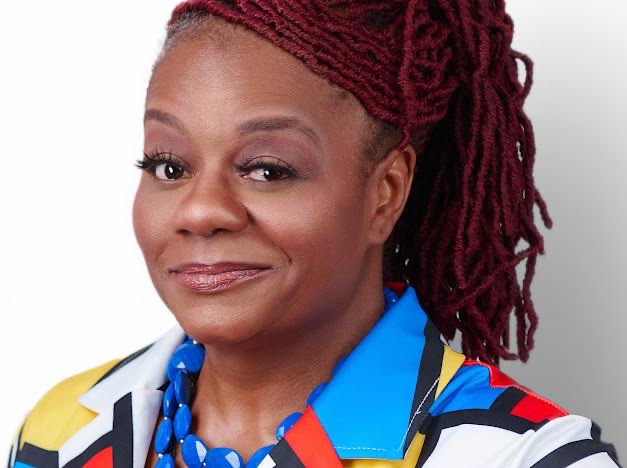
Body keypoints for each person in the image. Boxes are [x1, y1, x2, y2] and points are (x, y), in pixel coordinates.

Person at [7, 1, 621, 467]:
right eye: (168, 166)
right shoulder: (60, 433)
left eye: (267, 169)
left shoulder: (524, 458)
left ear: (386, 193)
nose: (200, 211)